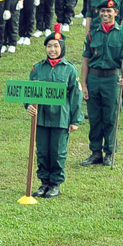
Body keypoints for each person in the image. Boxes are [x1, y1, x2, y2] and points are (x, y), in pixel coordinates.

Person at [26, 25, 83, 197]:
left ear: (62, 48)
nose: (52, 49)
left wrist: (75, 120)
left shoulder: (70, 69)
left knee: (57, 151)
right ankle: (44, 183)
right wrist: (28, 104)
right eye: (49, 46)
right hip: (41, 117)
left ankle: (55, 184)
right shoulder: (37, 68)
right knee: (42, 151)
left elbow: (76, 96)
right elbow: (28, 91)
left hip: (61, 118)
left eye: (56, 46)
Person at [80, 0, 123, 166]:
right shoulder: (92, 34)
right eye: (102, 11)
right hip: (94, 78)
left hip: (112, 79)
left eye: (109, 11)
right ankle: (95, 152)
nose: (105, 14)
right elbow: (86, 60)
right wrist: (84, 84)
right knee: (94, 117)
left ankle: (110, 152)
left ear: (116, 13)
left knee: (111, 117)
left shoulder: (122, 34)